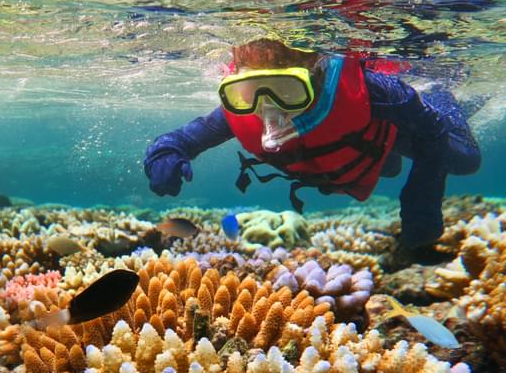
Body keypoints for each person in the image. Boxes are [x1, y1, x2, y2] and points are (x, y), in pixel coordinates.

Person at [143, 38, 481, 260]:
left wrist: (422, 196)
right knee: (388, 168)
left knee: (464, 159)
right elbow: (183, 140)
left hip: (384, 129)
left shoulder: (377, 92)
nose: (268, 109)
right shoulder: (241, 114)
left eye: (286, 91)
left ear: (316, 78)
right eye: (249, 92)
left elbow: (432, 132)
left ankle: (441, 95)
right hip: (358, 154)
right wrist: (164, 153)